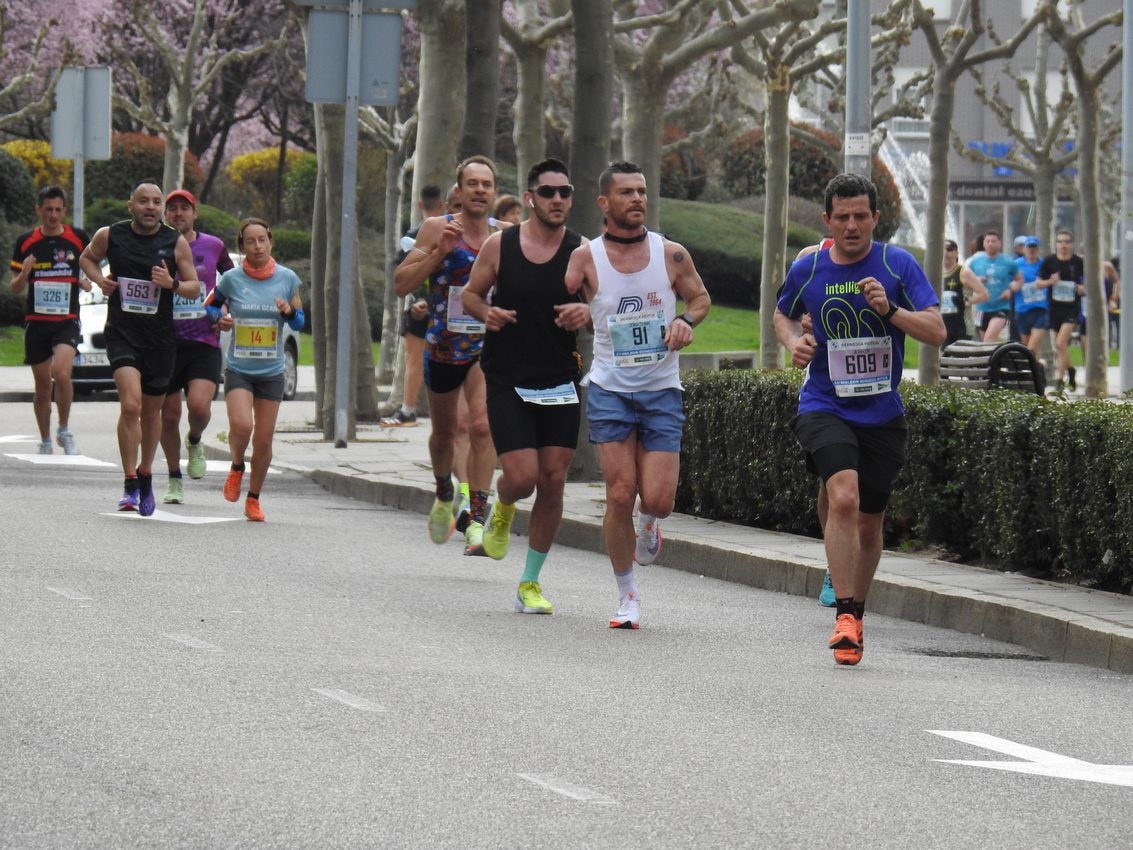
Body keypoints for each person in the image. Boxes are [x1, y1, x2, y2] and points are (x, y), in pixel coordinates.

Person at [774, 173, 945, 665]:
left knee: (870, 522)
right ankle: (844, 617)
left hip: (882, 411)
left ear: (875, 218)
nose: (852, 225)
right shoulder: (809, 267)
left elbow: (935, 330)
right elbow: (782, 314)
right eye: (842, 216)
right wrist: (793, 342)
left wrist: (890, 310)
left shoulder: (897, 263)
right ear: (827, 220)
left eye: (861, 216)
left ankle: (858, 612)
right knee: (843, 496)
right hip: (824, 403)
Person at [563, 161, 711, 629]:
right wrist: (573, 315)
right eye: (627, 192)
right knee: (620, 493)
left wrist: (685, 321)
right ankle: (627, 594)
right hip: (609, 387)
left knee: (660, 499)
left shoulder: (671, 254)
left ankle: (650, 525)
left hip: (661, 388)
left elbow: (700, 299)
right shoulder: (586, 258)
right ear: (605, 203)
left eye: (642, 191)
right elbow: (558, 303)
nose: (637, 200)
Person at [461, 157, 588, 616]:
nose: (558, 200)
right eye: (549, 192)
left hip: (559, 379)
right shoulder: (501, 245)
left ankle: (530, 582)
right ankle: (501, 508)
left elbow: (607, 309)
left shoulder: (582, 251)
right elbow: (470, 294)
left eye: (565, 192)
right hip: (507, 377)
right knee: (522, 477)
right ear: (530, 197)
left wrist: (587, 314)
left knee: (553, 480)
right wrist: (485, 313)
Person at [393, 156, 502, 555]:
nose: (479, 190)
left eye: (486, 184)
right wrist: (440, 251)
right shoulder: (438, 228)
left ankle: (476, 519)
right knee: (443, 436)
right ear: (458, 191)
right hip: (442, 347)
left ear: (494, 191)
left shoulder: (503, 236)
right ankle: (443, 490)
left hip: (484, 349)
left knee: (482, 425)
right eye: (471, 183)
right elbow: (401, 284)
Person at [79, 181, 200, 516]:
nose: (151, 207)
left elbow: (194, 287)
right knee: (130, 404)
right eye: (143, 201)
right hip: (123, 332)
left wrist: (171, 283)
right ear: (129, 205)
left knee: (151, 412)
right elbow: (87, 258)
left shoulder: (174, 241)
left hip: (160, 339)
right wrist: (100, 280)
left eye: (156, 202)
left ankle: (146, 473)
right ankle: (129, 479)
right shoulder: (110, 235)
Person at [208, 218, 304, 522]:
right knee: (241, 426)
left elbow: (300, 321)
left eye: (262, 239)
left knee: (263, 440)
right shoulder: (232, 279)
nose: (258, 246)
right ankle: (237, 465)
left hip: (272, 371)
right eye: (251, 241)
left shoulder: (287, 279)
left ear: (270, 241)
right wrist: (219, 317)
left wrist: (288, 312)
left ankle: (254, 498)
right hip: (239, 367)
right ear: (242, 246)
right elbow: (212, 306)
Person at [158, 189, 235, 504]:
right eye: (172, 208)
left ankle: (195, 439)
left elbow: (233, 282)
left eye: (184, 208)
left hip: (203, 339)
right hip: (165, 342)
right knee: (169, 416)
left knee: (200, 408)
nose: (178, 214)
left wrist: (226, 311)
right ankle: (175, 478)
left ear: (195, 213)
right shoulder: (157, 244)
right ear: (166, 214)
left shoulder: (213, 245)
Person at [7, 186, 91, 455]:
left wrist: (86, 280)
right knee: (43, 386)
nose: (53, 215)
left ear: (64, 210)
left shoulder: (77, 239)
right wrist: (25, 273)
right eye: (48, 210)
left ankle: (64, 429)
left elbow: (90, 267)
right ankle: (44, 440)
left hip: (67, 319)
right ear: (39, 211)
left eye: (58, 210)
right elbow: (15, 287)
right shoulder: (25, 242)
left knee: (62, 373)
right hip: (37, 321)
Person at [380, 184, 446, 428]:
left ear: (420, 205)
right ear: (444, 205)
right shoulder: (431, 232)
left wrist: (419, 300)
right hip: (431, 307)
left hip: (423, 306)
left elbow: (401, 270)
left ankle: (409, 408)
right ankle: (412, 409)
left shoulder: (416, 233)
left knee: (414, 359)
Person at [1037, 229, 1085, 391]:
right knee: (1061, 346)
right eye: (1060, 241)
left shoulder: (1078, 262)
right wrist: (1051, 281)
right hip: (1054, 308)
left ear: (1071, 245)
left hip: (1071, 308)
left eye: (1066, 241)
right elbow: (1038, 284)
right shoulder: (1049, 262)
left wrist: (1081, 288)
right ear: (1056, 244)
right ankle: (1070, 370)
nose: (1063, 245)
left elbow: (1087, 285)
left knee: (1059, 343)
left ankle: (1059, 381)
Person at [965, 230, 1021, 343]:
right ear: (984, 244)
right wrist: (976, 281)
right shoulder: (975, 262)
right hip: (981, 309)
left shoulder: (1008, 262)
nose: (991, 244)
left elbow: (1019, 280)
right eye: (988, 241)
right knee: (984, 343)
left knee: (989, 339)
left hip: (1001, 307)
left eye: (994, 241)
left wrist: (1010, 290)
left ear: (1000, 244)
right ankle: (995, 360)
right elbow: (965, 282)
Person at [941, 238, 988, 346]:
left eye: (949, 249)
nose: (945, 252)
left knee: (960, 360)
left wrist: (966, 301)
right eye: (943, 249)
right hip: (942, 325)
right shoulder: (937, 273)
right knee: (941, 360)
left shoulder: (964, 272)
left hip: (961, 326)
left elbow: (984, 294)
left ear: (957, 253)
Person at [1010, 236, 1048, 362]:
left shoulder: (1044, 265)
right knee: (1029, 348)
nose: (1031, 250)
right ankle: (1037, 375)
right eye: (1029, 247)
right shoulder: (1016, 264)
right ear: (1024, 249)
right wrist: (1013, 286)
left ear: (1038, 249)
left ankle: (1034, 374)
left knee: (1031, 348)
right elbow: (1008, 282)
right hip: (1022, 310)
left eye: (1034, 247)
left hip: (1041, 310)